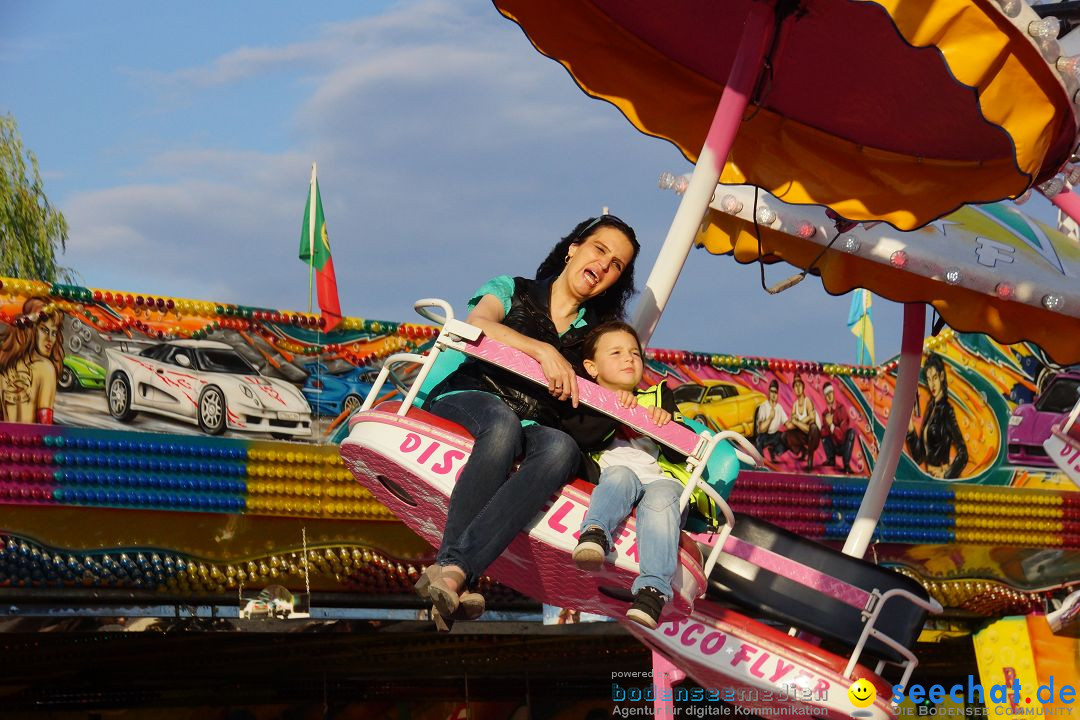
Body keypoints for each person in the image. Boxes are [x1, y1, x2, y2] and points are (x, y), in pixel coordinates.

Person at [415, 215, 640, 628]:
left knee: (561, 449)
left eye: (617, 265)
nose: (605, 265)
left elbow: (609, 375)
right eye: (600, 249)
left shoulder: (593, 335)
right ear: (573, 248)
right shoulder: (511, 289)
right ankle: (454, 567)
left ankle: (453, 574)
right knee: (500, 425)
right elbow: (477, 323)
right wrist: (542, 351)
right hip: (474, 392)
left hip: (533, 420)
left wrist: (627, 394)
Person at [570, 321, 697, 630]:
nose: (629, 359)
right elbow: (581, 437)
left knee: (665, 496)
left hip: (658, 478)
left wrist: (665, 424)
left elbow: (684, 450)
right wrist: (615, 410)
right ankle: (595, 534)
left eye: (635, 354)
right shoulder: (585, 397)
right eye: (616, 353)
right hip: (615, 472)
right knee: (620, 476)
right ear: (592, 366)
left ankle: (653, 592)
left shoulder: (657, 395)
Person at [0, 297, 64, 424]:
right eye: (44, 330)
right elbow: (45, 425)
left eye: (54, 333)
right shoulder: (45, 368)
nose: (50, 339)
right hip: (31, 442)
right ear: (31, 328)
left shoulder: (4, 364)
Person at [906, 354, 968, 479]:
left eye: (934, 378)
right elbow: (919, 456)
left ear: (942, 376)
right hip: (929, 477)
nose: (932, 384)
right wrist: (910, 425)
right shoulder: (930, 408)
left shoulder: (946, 410)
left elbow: (963, 452)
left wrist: (946, 475)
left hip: (940, 479)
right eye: (929, 379)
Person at [782, 375, 821, 471]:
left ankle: (810, 460)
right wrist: (790, 424)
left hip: (813, 437)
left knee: (813, 428)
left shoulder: (808, 401)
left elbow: (811, 422)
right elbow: (791, 425)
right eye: (795, 386)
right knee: (784, 436)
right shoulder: (795, 405)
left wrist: (797, 422)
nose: (798, 388)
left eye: (799, 385)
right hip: (802, 435)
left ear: (803, 387)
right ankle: (803, 451)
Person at [821, 382, 855, 473]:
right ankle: (831, 459)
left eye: (830, 393)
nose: (829, 396)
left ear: (833, 393)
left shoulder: (841, 409)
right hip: (833, 445)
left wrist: (831, 425)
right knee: (822, 435)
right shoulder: (825, 414)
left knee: (851, 432)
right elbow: (823, 433)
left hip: (843, 445)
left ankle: (846, 464)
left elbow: (841, 436)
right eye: (826, 394)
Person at [753, 380, 787, 461]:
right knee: (758, 442)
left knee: (786, 438)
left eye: (775, 392)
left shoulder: (779, 407)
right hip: (764, 435)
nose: (773, 394)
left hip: (775, 435)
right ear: (769, 392)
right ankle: (762, 461)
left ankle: (773, 451)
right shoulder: (763, 406)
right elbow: (761, 429)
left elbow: (787, 424)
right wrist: (770, 418)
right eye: (772, 391)